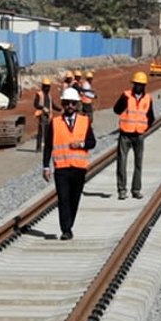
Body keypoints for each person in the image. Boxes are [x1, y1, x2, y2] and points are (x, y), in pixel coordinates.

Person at [41, 87, 96, 239]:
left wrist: (82, 144)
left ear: (77, 105)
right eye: (67, 103)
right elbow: (48, 146)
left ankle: (69, 224)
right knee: (63, 199)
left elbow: (92, 142)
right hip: (62, 169)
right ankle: (66, 229)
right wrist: (46, 167)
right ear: (63, 104)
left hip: (79, 169)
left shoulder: (85, 122)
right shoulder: (55, 123)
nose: (70, 106)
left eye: (72, 103)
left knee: (74, 199)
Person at [113, 70, 155, 200]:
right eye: (137, 84)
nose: (138, 86)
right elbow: (116, 109)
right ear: (134, 84)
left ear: (144, 86)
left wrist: (143, 129)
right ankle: (122, 190)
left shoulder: (148, 99)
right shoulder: (126, 96)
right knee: (122, 162)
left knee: (138, 163)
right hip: (125, 134)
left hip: (139, 135)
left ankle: (136, 190)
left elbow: (151, 117)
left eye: (141, 84)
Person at [32, 76, 56, 151]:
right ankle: (39, 147)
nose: (47, 88)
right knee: (41, 132)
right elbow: (35, 104)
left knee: (48, 132)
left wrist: (60, 109)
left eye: (48, 87)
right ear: (43, 86)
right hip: (42, 115)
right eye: (46, 87)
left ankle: (47, 146)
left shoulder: (49, 95)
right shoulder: (39, 94)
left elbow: (53, 105)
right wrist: (43, 108)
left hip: (49, 115)